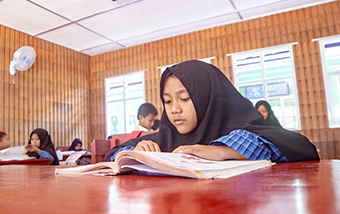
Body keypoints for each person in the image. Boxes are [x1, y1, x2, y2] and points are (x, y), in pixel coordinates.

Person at [104, 60, 319, 163]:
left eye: (185, 98)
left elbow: (300, 149)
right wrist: (135, 153)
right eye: (167, 101)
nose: (174, 109)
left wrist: (222, 152)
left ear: (210, 98)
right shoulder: (166, 138)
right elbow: (113, 155)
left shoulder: (239, 130)